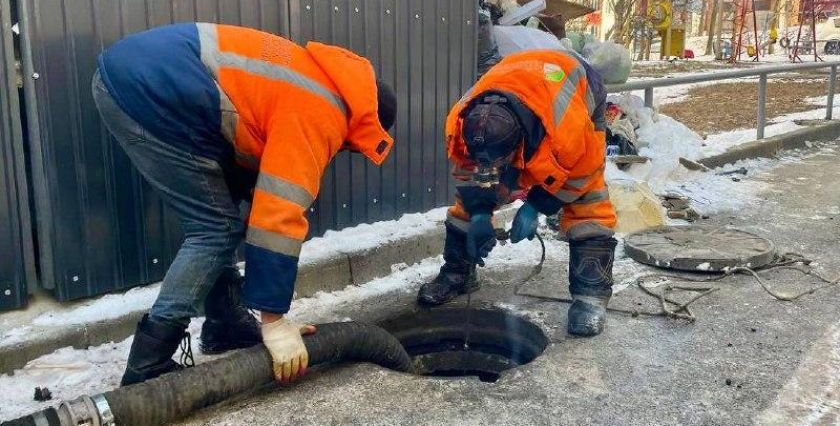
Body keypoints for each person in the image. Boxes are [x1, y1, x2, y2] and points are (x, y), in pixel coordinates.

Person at [92, 23, 397, 386]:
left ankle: (225, 321)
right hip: (149, 88)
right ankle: (149, 362)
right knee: (216, 228)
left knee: (220, 213)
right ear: (360, 126)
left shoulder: (314, 78)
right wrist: (275, 322)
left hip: (141, 76)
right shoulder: (322, 110)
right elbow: (278, 215)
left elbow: (254, 174)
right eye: (351, 146)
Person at [417, 49, 617, 337]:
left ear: (520, 142)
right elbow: (470, 172)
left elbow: (582, 174)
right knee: (472, 196)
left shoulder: (566, 130)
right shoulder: (460, 124)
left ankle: (590, 296)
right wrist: (479, 216)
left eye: (503, 160)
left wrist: (535, 205)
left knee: (589, 198)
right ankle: (457, 273)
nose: (494, 168)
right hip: (518, 80)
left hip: (575, 83)